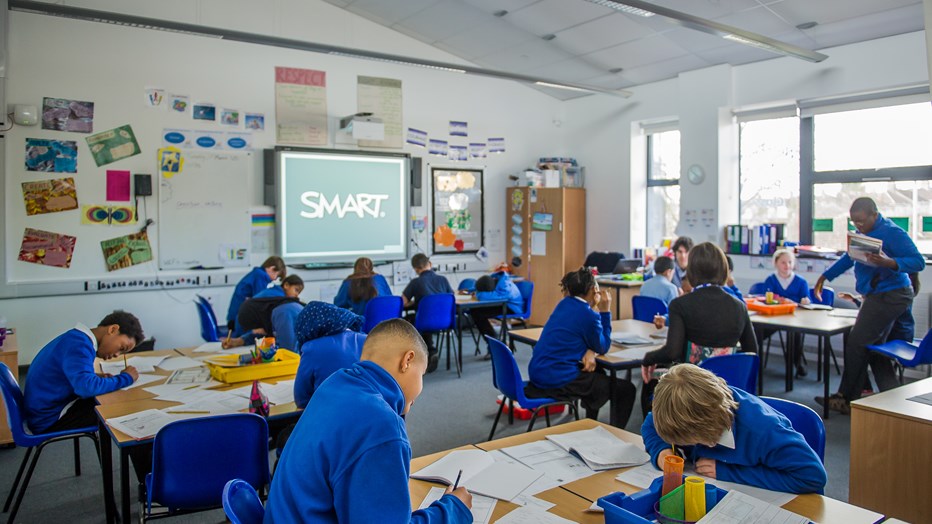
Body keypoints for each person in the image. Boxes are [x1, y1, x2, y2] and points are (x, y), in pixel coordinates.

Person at [265, 319, 472, 523]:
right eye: (422, 374)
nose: (420, 387)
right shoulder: (381, 425)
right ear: (407, 360)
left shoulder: (335, 383)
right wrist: (453, 510)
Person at [642, 364, 827, 494]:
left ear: (708, 439)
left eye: (688, 441)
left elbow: (812, 477)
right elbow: (651, 426)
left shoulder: (763, 431)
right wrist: (661, 451)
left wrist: (728, 472)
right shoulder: (693, 409)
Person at [813, 197, 924, 414]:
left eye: (862, 221)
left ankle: (845, 398)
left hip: (890, 295)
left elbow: (918, 261)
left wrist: (890, 262)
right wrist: (825, 277)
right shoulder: (863, 232)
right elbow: (850, 257)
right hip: (879, 295)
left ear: (875, 214)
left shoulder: (892, 232)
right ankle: (892, 400)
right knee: (873, 349)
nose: (858, 226)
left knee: (856, 343)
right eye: (854, 222)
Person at [640, 243, 758, 417]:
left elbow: (672, 352)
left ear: (691, 271)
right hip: (727, 388)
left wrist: (648, 358)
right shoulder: (739, 306)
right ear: (723, 270)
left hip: (691, 388)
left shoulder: (681, 305)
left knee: (649, 381)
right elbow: (752, 352)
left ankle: (657, 438)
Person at [525, 268, 636, 428]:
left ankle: (589, 424)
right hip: (558, 380)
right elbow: (603, 346)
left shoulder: (563, 305)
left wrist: (590, 350)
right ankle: (616, 434)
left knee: (597, 372)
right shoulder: (588, 315)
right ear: (593, 289)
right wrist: (605, 311)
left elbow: (587, 338)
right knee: (626, 389)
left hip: (539, 373)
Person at [24, 311, 143, 434]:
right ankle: (144, 451)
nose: (117, 355)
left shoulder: (77, 338)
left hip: (43, 411)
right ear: (112, 329)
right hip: (49, 420)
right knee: (122, 409)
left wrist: (95, 377)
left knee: (110, 399)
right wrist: (126, 378)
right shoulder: (79, 345)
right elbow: (86, 388)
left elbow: (68, 376)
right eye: (121, 348)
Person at [293, 301, 367, 408]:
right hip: (371, 413)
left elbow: (301, 400)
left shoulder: (311, 348)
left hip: (331, 416)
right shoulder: (368, 340)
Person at [760, 249, 811, 377]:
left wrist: (805, 301)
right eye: (783, 262)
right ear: (776, 263)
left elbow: (806, 300)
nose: (787, 265)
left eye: (790, 262)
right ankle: (756, 363)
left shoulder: (801, 281)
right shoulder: (771, 279)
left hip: (794, 317)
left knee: (796, 334)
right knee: (758, 333)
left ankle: (796, 363)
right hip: (773, 317)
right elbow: (767, 298)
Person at [402, 253, 454, 372]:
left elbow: (403, 302)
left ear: (416, 269)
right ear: (429, 264)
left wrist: (415, 302)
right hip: (445, 321)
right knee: (425, 317)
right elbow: (451, 297)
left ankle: (428, 351)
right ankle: (430, 351)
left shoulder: (416, 282)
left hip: (424, 321)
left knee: (410, 319)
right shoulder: (443, 279)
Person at [471, 271, 523, 359]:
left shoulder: (504, 286)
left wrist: (478, 294)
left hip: (512, 307)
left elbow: (483, 296)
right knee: (475, 311)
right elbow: (486, 293)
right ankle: (495, 342)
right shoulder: (495, 281)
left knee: (478, 314)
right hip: (502, 304)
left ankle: (494, 345)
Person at [226, 256, 286, 330]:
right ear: (272, 268)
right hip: (238, 319)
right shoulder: (260, 276)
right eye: (277, 276)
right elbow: (260, 302)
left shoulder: (256, 273)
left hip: (234, 316)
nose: (274, 279)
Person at [223, 295, 302, 349]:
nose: (255, 331)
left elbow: (288, 350)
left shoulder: (283, 313)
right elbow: (264, 334)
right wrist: (239, 341)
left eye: (255, 328)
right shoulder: (267, 315)